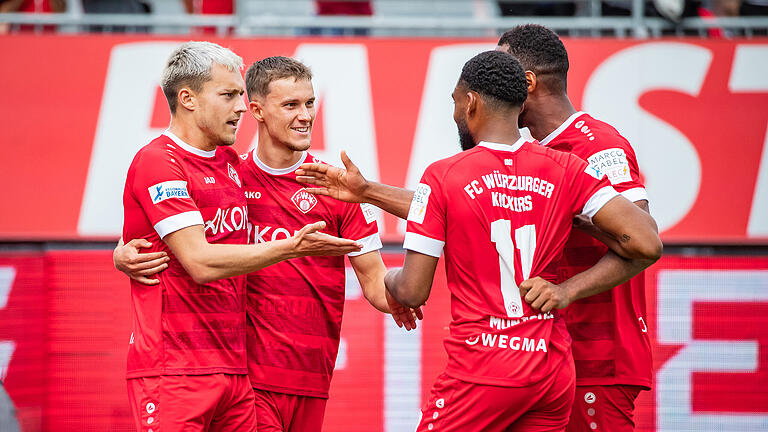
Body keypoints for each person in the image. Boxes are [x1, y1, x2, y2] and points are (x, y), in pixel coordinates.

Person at [298, 50, 662, 431]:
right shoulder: (565, 169)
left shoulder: (444, 176)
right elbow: (646, 242)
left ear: (470, 102)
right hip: (552, 366)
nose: (455, 112)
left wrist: (385, 282)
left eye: (454, 101)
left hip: (485, 365)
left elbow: (412, 290)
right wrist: (562, 281)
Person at [116, 55, 421, 432]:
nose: (305, 116)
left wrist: (402, 291)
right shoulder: (231, 174)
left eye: (309, 103)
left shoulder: (337, 187)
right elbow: (169, 230)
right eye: (291, 105)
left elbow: (376, 284)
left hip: (312, 378)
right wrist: (123, 249)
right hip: (249, 377)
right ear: (257, 110)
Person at [496, 24, 656, 432]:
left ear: (527, 82)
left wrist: (566, 290)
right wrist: (369, 192)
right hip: (547, 359)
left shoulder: (597, 146)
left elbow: (642, 241)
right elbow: (454, 208)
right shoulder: (529, 153)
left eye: (501, 71)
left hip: (598, 361)